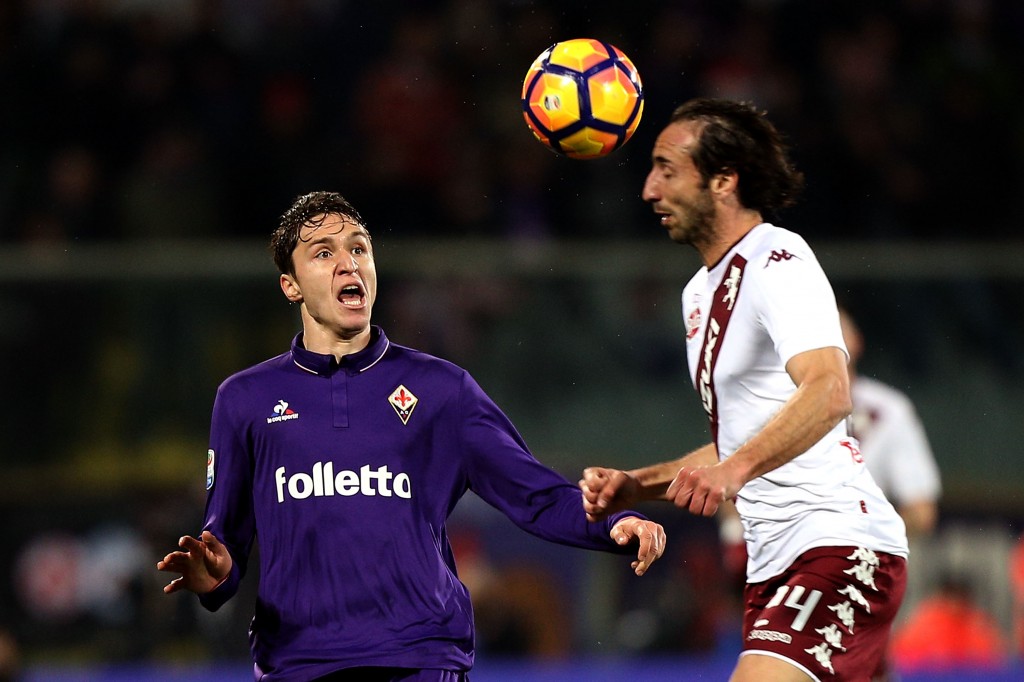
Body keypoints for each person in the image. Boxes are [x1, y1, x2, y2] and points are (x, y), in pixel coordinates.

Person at [156, 191, 666, 681]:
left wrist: (614, 523)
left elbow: (533, 494)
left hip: (419, 654)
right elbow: (223, 543)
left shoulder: (442, 389)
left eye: (359, 248)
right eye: (323, 253)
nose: (348, 263)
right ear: (290, 284)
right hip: (298, 662)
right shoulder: (244, 399)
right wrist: (213, 577)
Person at [580, 98, 909, 681]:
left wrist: (733, 474)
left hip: (835, 545)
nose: (649, 190)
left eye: (666, 169)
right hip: (770, 566)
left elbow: (830, 391)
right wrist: (640, 485)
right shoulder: (697, 295)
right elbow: (740, 438)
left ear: (724, 180)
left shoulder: (778, 259)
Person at [839, 307, 941, 538]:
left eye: (836, 330)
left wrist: (872, 543)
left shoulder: (889, 410)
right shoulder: (771, 402)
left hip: (859, 553)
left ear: (857, 341)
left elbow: (920, 510)